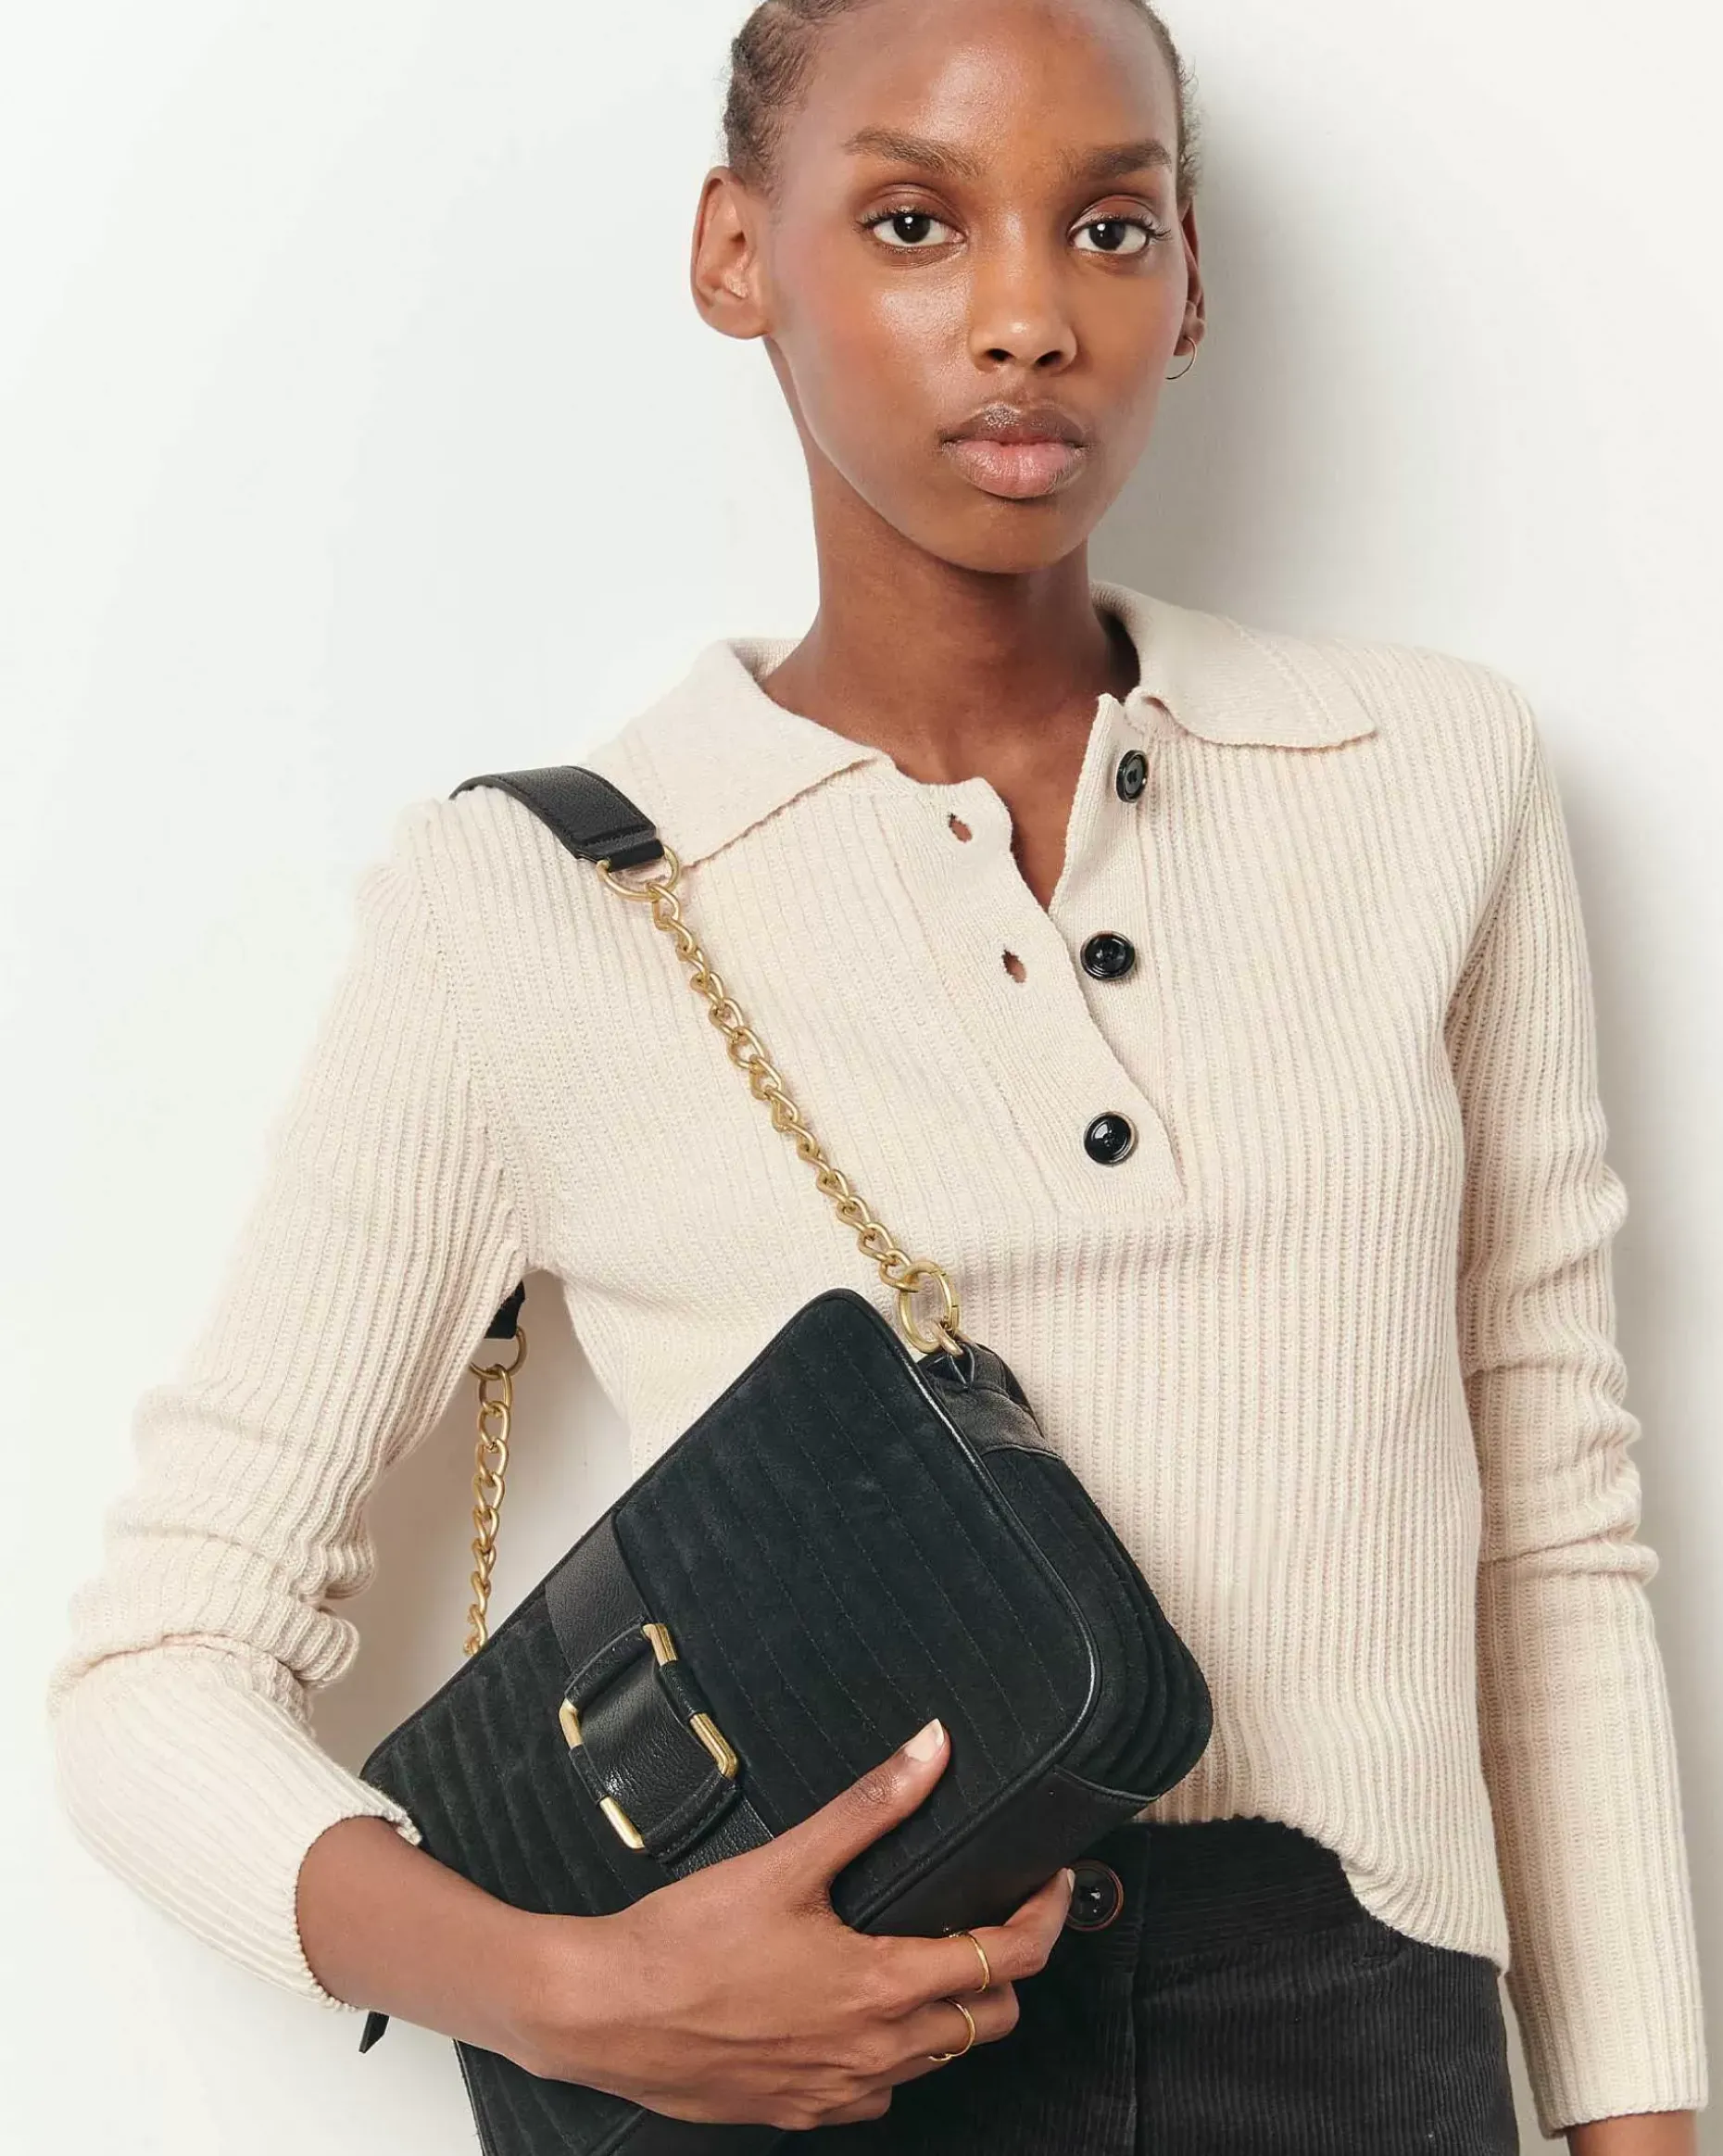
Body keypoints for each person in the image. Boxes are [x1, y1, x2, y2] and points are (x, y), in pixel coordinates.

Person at [44, 2, 1707, 2150]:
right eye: (918, 221)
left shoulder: (1424, 776)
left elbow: (1551, 1533)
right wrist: (572, 1995)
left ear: (1191, 283)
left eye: (1110, 226)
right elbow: (156, 1664)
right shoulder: (534, 903)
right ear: (738, 253)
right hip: (826, 2067)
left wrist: (1640, 2121)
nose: (1028, 317)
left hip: (1362, 2033)